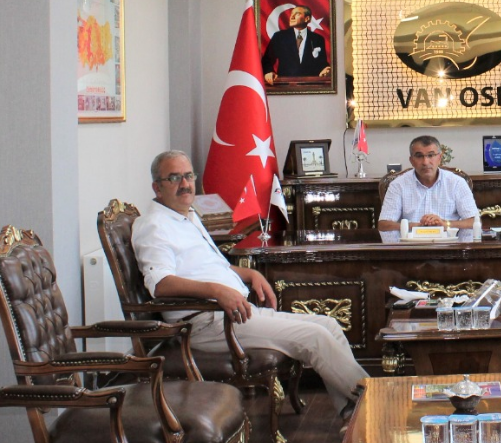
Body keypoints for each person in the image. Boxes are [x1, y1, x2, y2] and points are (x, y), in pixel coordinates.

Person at [132, 150, 367, 413]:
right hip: (204, 323)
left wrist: (249, 274)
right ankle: (372, 407)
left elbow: (209, 268)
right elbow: (161, 284)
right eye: (174, 178)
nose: (185, 184)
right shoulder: (154, 225)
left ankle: (352, 413)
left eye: (188, 176)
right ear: (157, 187)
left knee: (329, 325)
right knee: (316, 338)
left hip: (233, 313)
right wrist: (217, 291)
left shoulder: (186, 216)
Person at [377, 135, 479, 231]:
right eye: (419, 156)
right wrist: (416, 226)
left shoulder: (456, 183)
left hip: (449, 241)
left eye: (431, 155)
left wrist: (445, 224)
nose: (425, 162)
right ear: (411, 160)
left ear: (439, 158)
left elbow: (473, 221)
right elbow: (383, 224)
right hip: (411, 242)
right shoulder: (398, 185)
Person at [261, 4, 331, 84]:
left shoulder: (318, 39)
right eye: (291, 14)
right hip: (285, 86)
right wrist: (269, 72)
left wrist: (326, 69)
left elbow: (322, 63)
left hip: (310, 86)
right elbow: (267, 60)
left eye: (297, 14)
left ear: (307, 19)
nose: (292, 17)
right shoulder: (279, 37)